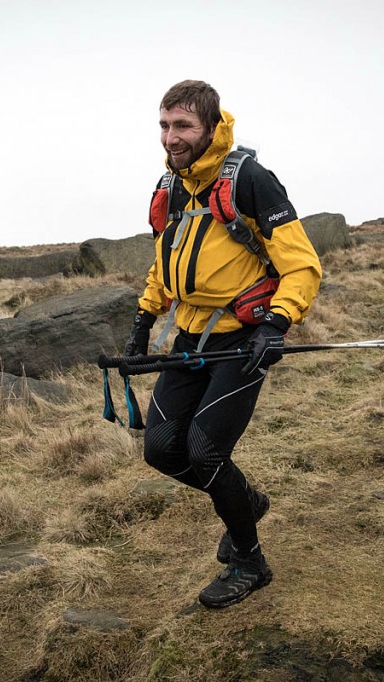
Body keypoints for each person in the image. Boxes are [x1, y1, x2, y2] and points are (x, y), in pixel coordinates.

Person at [125, 80, 321, 608]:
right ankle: (244, 501)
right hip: (189, 335)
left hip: (241, 340)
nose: (171, 137)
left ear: (211, 127)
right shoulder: (171, 184)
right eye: (165, 126)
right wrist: (145, 315)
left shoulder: (250, 180)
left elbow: (302, 264)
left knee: (206, 450)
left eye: (183, 126)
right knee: (162, 449)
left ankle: (249, 560)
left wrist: (277, 324)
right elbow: (169, 260)